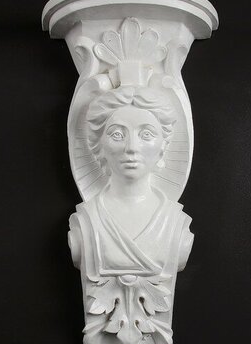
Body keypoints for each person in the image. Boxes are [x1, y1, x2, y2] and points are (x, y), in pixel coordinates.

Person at [68, 86, 193, 277]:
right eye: (117, 135)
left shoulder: (175, 223)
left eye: (146, 134)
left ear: (163, 146)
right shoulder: (87, 221)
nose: (132, 148)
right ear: (98, 146)